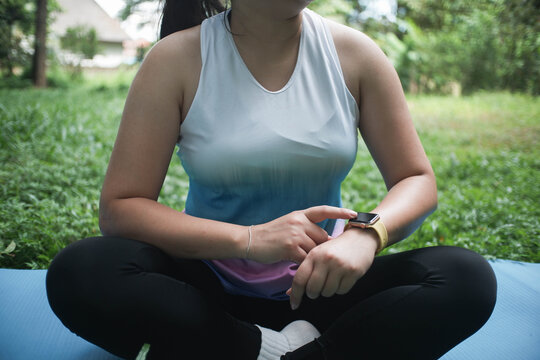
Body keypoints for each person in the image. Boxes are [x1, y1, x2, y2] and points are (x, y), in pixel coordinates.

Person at [46, 1, 497, 359]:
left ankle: (239, 352)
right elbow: (121, 207)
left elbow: (416, 178)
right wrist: (248, 239)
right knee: (81, 271)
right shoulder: (175, 60)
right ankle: (269, 348)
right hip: (204, 290)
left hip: (321, 286)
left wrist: (366, 235)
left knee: (465, 278)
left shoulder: (355, 55)